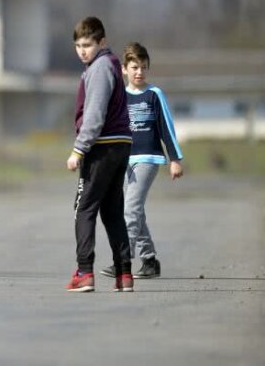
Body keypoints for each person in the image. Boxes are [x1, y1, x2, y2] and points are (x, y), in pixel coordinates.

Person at [100, 42, 184, 280]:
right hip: (123, 159)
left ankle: (122, 260)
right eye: (135, 67)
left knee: (131, 208)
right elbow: (110, 128)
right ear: (124, 69)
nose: (140, 72)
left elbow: (167, 127)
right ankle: (149, 261)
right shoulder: (118, 97)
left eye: (144, 67)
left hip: (148, 158)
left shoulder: (154, 94)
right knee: (136, 211)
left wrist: (175, 159)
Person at [65, 16, 134, 293]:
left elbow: (95, 114)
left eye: (88, 44)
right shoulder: (107, 66)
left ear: (101, 42)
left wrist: (78, 150)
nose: (83, 50)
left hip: (103, 146)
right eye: (78, 45)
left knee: (84, 208)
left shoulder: (101, 67)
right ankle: (124, 274)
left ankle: (84, 272)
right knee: (112, 210)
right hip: (119, 144)